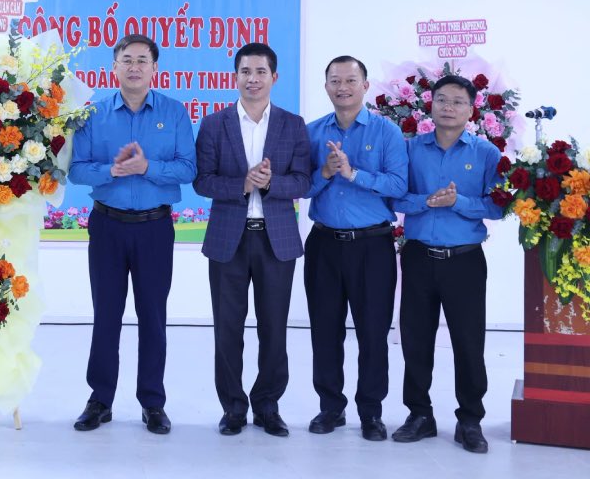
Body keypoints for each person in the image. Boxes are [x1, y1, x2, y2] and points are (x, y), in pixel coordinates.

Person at [69, 34, 196, 435]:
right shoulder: (94, 114)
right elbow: (76, 169)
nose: (135, 67)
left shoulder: (175, 113)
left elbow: (188, 169)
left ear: (155, 68)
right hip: (107, 226)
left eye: (143, 60)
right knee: (106, 315)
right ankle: (100, 399)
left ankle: (152, 402)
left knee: (153, 317)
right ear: (114, 67)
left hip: (155, 228)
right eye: (127, 60)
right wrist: (112, 171)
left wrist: (147, 169)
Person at [193, 42, 311, 437]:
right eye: (245, 71)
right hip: (229, 239)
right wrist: (242, 184)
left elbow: (305, 181)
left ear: (274, 77)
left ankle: (267, 405)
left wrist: (273, 183)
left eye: (261, 72)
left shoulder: (292, 124)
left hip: (276, 240)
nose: (253, 79)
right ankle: (232, 407)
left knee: (274, 328)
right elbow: (202, 181)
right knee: (227, 328)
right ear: (235, 76)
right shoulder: (214, 124)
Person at [391, 74, 501, 454]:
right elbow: (395, 198)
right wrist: (426, 202)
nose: (448, 107)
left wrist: (459, 203)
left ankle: (470, 420)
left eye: (457, 101)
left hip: (465, 262)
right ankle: (419, 415)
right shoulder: (409, 149)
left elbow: (497, 206)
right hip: (420, 256)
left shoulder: (486, 153)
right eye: (441, 100)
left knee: (468, 344)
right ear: (430, 105)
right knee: (415, 340)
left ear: (471, 110)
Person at [303, 56, 407, 441]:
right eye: (335, 80)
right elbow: (300, 188)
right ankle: (330, 408)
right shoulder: (312, 132)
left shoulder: (387, 132)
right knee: (324, 331)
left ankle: (371, 412)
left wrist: (353, 173)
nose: (342, 87)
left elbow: (398, 186)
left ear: (365, 85)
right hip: (324, 244)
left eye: (350, 80)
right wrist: (326, 173)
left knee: (372, 332)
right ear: (326, 85)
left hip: (372, 246)